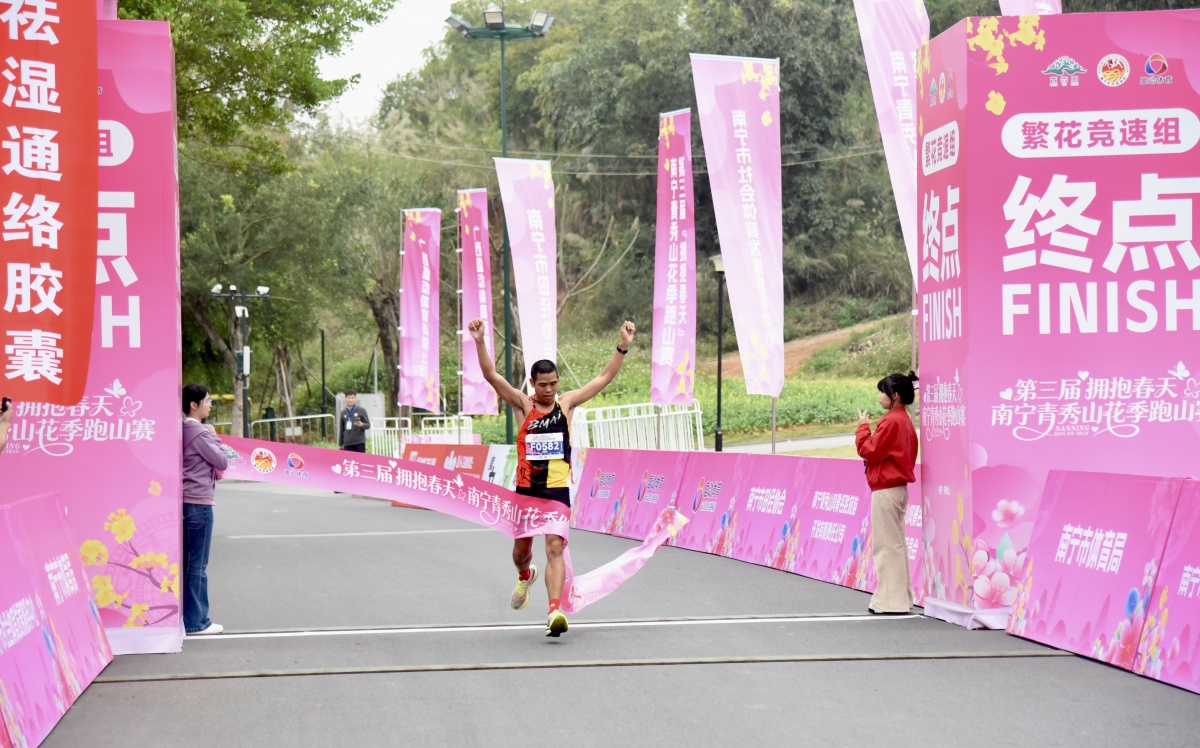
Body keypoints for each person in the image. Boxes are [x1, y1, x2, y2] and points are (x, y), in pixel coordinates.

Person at [468, 317, 636, 637]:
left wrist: (623, 346)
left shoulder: (567, 403)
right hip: (526, 490)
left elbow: (603, 378)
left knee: (555, 548)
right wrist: (479, 341)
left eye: (554, 383)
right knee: (521, 554)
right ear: (533, 383)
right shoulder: (522, 404)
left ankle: (554, 611)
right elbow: (491, 375)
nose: (549, 390)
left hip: (557, 491)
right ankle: (524, 576)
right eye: (543, 385)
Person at [855, 371, 919, 616]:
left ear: (895, 396)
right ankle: (900, 599)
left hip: (887, 489)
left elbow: (869, 450)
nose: (880, 396)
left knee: (887, 546)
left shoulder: (892, 421)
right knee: (896, 545)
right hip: (896, 489)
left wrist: (863, 428)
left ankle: (891, 602)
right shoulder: (902, 420)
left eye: (884, 392)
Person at [182, 383, 229, 636]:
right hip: (199, 502)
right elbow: (221, 460)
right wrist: (214, 435)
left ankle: (189, 617)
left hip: (186, 500)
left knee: (189, 563)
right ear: (194, 405)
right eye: (207, 400)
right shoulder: (198, 431)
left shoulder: (181, 428)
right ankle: (197, 621)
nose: (210, 405)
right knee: (198, 565)